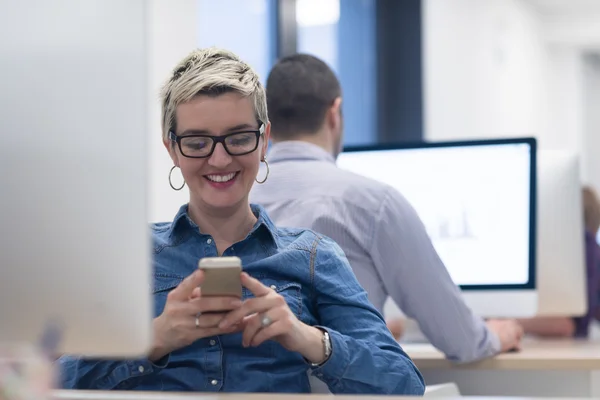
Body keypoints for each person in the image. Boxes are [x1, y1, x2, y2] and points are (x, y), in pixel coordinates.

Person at [56, 48, 425, 394]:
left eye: (238, 138)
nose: (219, 160)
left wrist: (308, 338)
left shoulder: (313, 255)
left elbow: (404, 383)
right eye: (198, 143)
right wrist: (155, 338)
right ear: (172, 149)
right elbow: (44, 379)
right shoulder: (131, 256)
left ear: (264, 140)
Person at [250, 53, 523, 363]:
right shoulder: (373, 204)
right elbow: (459, 339)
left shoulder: (233, 201)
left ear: (266, 123)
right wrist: (495, 335)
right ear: (334, 113)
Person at [518, 186, 600, 337]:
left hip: (562, 345)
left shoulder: (580, 244)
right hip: (575, 345)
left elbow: (565, 324)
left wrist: (505, 321)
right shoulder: (593, 250)